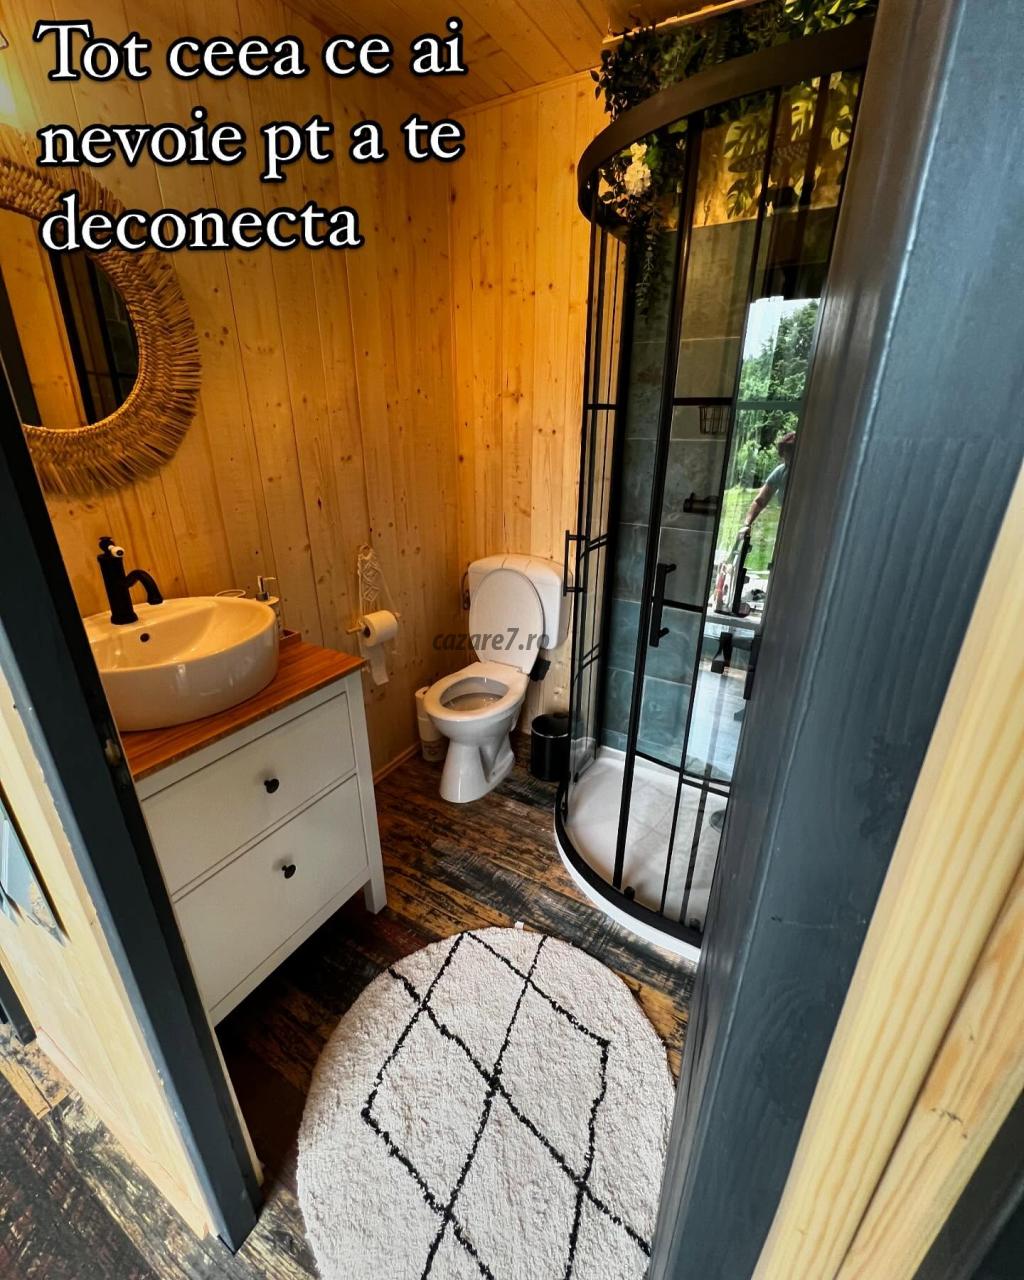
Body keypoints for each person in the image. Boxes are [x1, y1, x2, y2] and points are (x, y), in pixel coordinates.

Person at [741, 430, 796, 531]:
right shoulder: (781, 471)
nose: (785, 457)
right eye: (784, 453)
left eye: (789, 452)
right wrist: (747, 524)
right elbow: (760, 501)